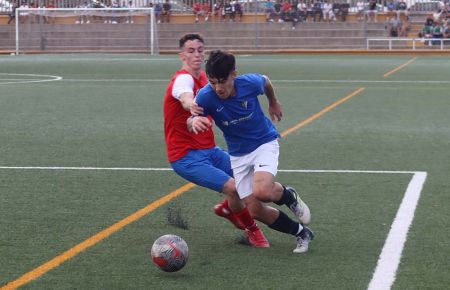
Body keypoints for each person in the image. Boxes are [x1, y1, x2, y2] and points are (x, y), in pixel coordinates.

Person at [191, 50, 314, 253]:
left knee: (263, 192)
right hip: (238, 155)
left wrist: (273, 102)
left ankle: (288, 196)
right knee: (255, 210)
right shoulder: (205, 96)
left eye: (222, 81)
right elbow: (192, 116)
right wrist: (193, 120)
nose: (218, 88)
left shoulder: (249, 83)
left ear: (234, 75)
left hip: (263, 142)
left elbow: (266, 82)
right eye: (213, 82)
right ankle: (301, 233)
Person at [163, 34, 269, 248]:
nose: (196, 54)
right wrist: (193, 107)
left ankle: (228, 208)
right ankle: (253, 231)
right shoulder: (183, 79)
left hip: (210, 150)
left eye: (200, 50)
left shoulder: (207, 79)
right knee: (236, 189)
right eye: (191, 50)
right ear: (181, 55)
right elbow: (184, 97)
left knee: (253, 183)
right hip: (186, 156)